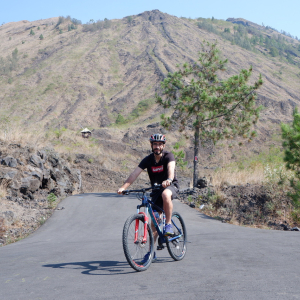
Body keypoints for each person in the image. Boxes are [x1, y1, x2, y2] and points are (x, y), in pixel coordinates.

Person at [117, 133, 179, 261]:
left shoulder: (168, 156)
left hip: (170, 186)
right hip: (156, 190)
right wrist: (124, 187)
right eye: (155, 144)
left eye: (159, 144)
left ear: (163, 146)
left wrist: (168, 179)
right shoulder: (148, 160)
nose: (157, 147)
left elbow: (171, 169)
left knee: (166, 193)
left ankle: (168, 224)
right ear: (151, 145)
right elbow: (134, 174)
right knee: (154, 222)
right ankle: (152, 252)